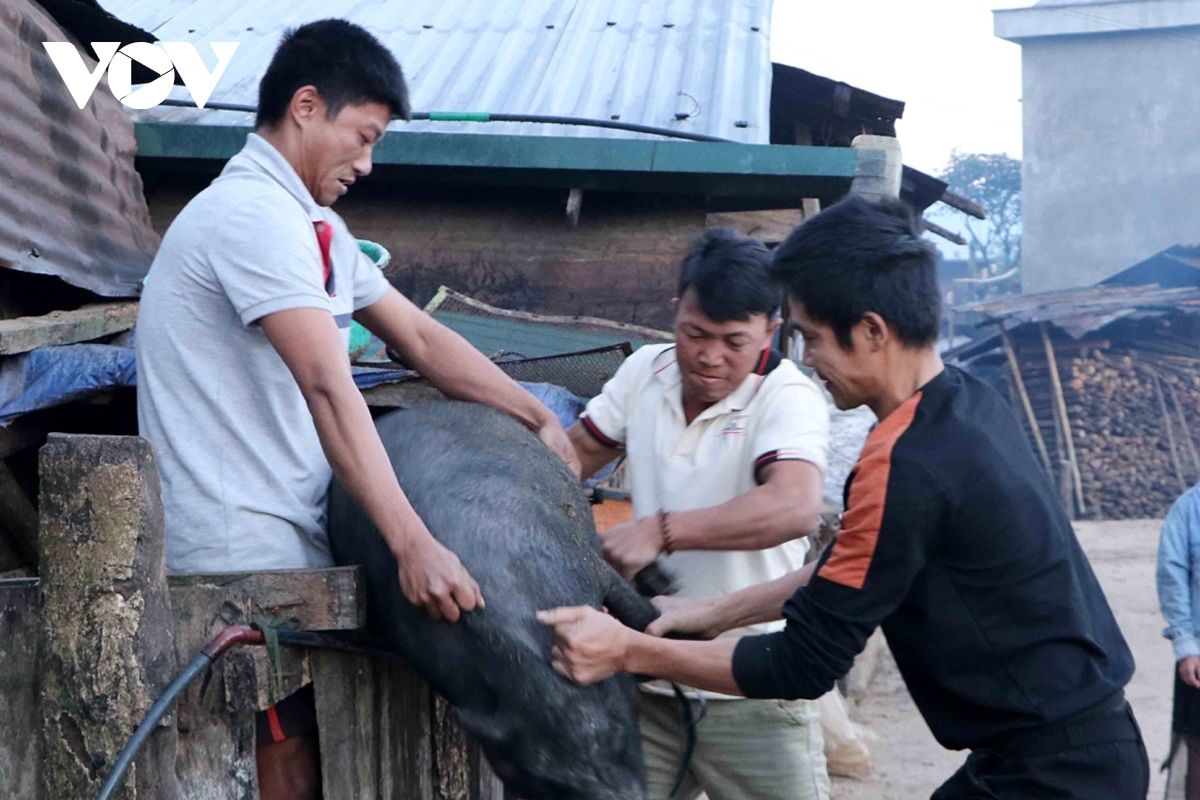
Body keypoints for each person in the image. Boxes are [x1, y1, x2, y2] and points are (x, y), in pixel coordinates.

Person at [540, 195, 1151, 799]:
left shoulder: (904, 462)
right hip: (1066, 753)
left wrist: (628, 650)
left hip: (1056, 776)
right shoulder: (967, 407)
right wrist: (710, 613)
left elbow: (802, 665)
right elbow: (849, 571)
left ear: (871, 331)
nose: (807, 361)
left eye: (810, 338)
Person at [136, 20, 576, 800]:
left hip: (295, 536)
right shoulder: (248, 217)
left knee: (316, 749)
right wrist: (414, 544)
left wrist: (534, 413)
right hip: (239, 547)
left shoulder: (321, 232)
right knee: (285, 764)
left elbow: (419, 337)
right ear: (306, 106)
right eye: (362, 136)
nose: (368, 164)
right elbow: (329, 387)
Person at [566, 229, 831, 800]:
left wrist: (660, 532)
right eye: (694, 334)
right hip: (644, 684)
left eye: (734, 341)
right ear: (675, 313)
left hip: (749, 684)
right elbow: (571, 458)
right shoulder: (645, 371)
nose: (709, 357)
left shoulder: (788, 396)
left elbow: (795, 505)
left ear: (771, 329)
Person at [1159, 480, 1200, 799]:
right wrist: (1186, 645)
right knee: (1198, 751)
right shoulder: (1188, 509)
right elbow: (1172, 576)